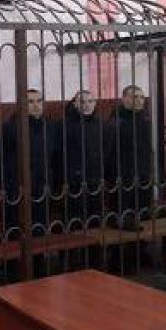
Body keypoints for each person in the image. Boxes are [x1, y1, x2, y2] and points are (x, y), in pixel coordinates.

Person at [0, 89, 60, 278]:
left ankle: (38, 269)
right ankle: (12, 272)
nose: (36, 105)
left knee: (39, 229)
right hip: (17, 189)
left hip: (42, 186)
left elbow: (54, 155)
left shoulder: (49, 126)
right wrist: (10, 183)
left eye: (39, 101)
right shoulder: (10, 128)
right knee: (15, 230)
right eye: (30, 102)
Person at [105, 85, 153, 230]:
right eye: (134, 97)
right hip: (123, 174)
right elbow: (108, 150)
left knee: (143, 213)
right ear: (124, 99)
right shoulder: (116, 121)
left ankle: (141, 242)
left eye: (141, 97)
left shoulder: (145, 120)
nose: (139, 100)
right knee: (122, 214)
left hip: (143, 172)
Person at [60, 90, 105, 230]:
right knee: (75, 219)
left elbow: (106, 149)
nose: (87, 105)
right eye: (82, 101)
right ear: (75, 104)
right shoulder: (64, 125)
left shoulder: (100, 124)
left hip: (95, 177)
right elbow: (58, 153)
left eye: (90, 101)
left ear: (95, 104)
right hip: (73, 179)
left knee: (95, 219)